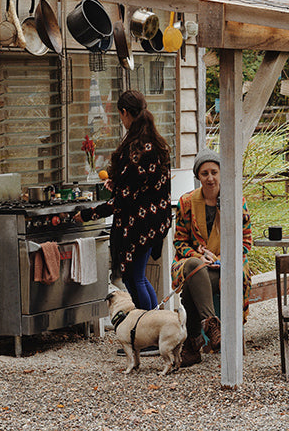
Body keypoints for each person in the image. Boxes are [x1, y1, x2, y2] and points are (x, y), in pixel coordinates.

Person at [73, 90, 172, 314]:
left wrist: (89, 214)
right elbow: (144, 187)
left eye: (121, 115)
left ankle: (147, 334)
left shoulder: (134, 149)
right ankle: (155, 327)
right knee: (140, 277)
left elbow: (124, 200)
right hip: (155, 221)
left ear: (125, 112)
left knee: (133, 278)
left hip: (138, 224)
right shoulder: (157, 144)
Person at [171, 147, 253, 367]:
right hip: (196, 264)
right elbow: (179, 242)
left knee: (191, 283)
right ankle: (212, 326)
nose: (210, 178)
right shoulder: (186, 202)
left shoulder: (236, 201)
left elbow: (246, 242)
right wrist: (199, 255)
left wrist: (221, 258)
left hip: (226, 266)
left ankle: (192, 345)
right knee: (195, 266)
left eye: (214, 172)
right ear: (198, 176)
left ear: (221, 174)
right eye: (204, 173)